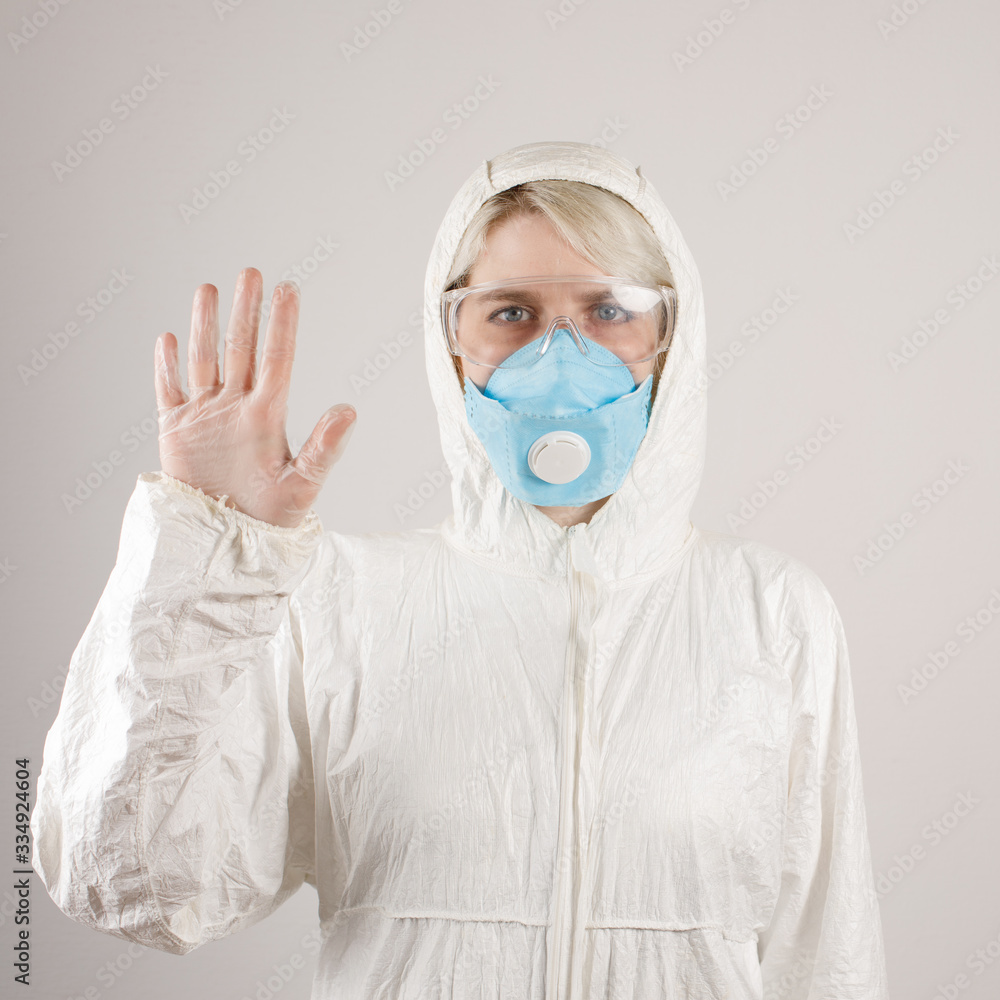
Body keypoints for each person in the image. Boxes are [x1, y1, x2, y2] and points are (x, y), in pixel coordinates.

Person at [30, 140, 891, 998]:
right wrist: (209, 558)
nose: (562, 356)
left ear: (672, 339)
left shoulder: (772, 613)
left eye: (609, 310)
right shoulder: (342, 603)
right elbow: (137, 890)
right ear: (451, 346)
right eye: (511, 312)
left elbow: (827, 958)